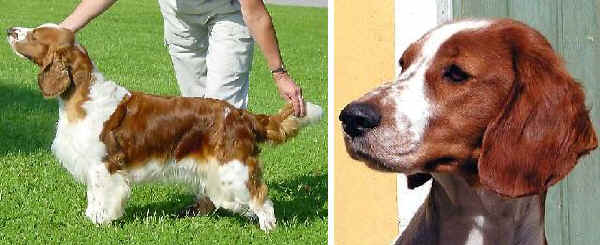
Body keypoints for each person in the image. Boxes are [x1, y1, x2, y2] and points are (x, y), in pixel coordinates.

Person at [60, 0, 305, 116]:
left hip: (227, 13)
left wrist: (279, 74)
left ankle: (241, 194)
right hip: (179, 17)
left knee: (221, 111)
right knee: (194, 109)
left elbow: (256, 15)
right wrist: (64, 30)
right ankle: (206, 199)